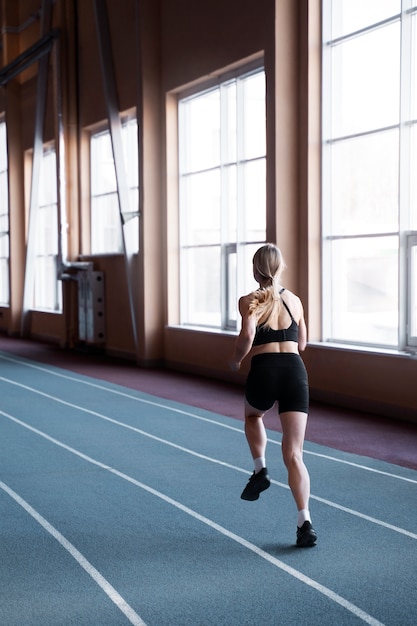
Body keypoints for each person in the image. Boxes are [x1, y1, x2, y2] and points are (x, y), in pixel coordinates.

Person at [230, 243, 317, 548]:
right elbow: (303, 344)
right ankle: (304, 519)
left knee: (253, 415)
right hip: (295, 371)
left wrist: (238, 360)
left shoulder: (249, 300)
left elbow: (248, 336)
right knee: (294, 454)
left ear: (255, 270)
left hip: (265, 368)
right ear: (281, 268)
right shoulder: (295, 301)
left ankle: (259, 469)